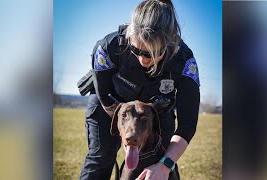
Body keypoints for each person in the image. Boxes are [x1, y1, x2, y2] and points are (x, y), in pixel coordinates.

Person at [79, 0, 200, 179]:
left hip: (157, 110)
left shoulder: (184, 62)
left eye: (152, 53)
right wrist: (127, 131)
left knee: (159, 161)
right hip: (112, 103)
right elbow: (105, 98)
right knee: (101, 156)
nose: (143, 59)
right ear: (130, 35)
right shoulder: (108, 47)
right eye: (137, 50)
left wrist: (165, 164)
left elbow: (187, 125)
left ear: (170, 44)